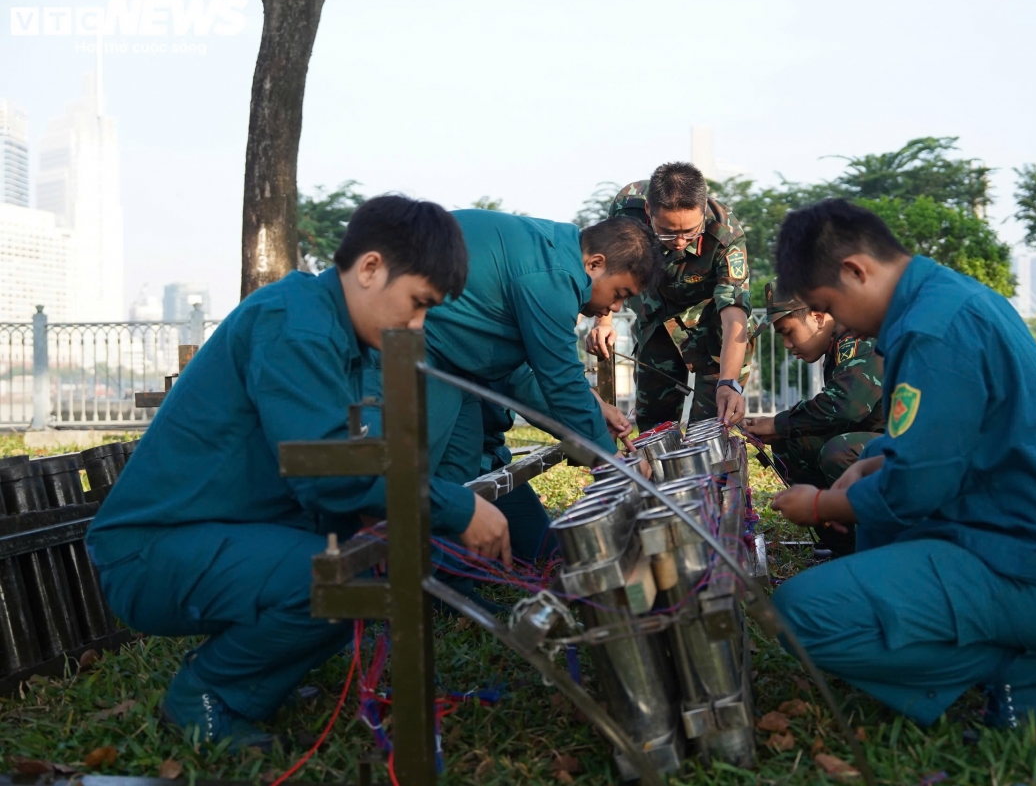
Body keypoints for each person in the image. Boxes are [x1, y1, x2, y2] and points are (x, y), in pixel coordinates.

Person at [85, 195, 475, 749]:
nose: (417, 323)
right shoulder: (296, 324)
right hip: (150, 553)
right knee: (342, 576)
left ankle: (258, 682)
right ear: (369, 268)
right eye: (417, 302)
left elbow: (341, 469)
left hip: (213, 532)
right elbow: (326, 469)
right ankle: (206, 695)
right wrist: (457, 507)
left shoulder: (334, 331)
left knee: (373, 558)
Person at [767, 199, 1036, 730]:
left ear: (855, 271)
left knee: (797, 616)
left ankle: (1015, 671)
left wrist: (821, 505)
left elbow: (916, 487)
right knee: (874, 513)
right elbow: (940, 434)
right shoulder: (950, 299)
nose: (835, 324)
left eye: (829, 305)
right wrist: (869, 464)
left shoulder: (931, 331)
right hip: (1033, 541)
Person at [420, 210, 661, 566]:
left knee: (461, 466)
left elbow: (525, 371)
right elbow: (559, 380)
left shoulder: (553, 253)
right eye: (619, 293)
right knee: (421, 474)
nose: (614, 307)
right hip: (415, 348)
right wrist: (611, 463)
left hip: (453, 361)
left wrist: (596, 411)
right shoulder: (553, 277)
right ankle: (404, 582)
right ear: (595, 263)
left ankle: (450, 584)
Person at [585, 162, 752, 428]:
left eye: (689, 231)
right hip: (656, 318)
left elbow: (734, 315)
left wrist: (728, 382)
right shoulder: (627, 209)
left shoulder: (725, 233)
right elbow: (611, 270)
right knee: (655, 425)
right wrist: (603, 321)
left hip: (712, 326)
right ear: (649, 212)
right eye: (668, 231)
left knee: (712, 425)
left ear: (702, 210)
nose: (679, 242)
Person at [741, 281, 884, 558]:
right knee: (793, 444)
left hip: (911, 444)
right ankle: (845, 549)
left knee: (840, 450)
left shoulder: (859, 336)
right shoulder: (840, 342)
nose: (786, 344)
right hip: (878, 437)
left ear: (817, 317)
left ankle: (878, 551)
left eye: (789, 332)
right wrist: (783, 430)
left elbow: (846, 406)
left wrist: (778, 423)